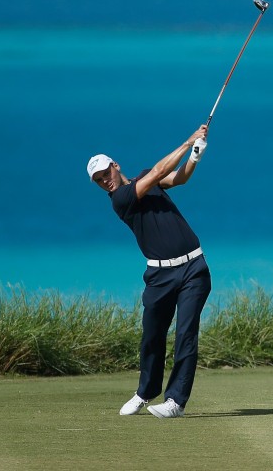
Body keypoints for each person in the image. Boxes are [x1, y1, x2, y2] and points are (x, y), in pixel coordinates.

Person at [87, 124, 212, 419]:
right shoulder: (120, 200)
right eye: (99, 180)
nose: (105, 181)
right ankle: (145, 392)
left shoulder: (144, 177)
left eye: (106, 174)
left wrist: (195, 155)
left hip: (194, 267)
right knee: (152, 336)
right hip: (159, 276)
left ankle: (175, 402)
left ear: (115, 166)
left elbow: (176, 179)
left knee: (186, 334)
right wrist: (188, 141)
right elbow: (158, 172)